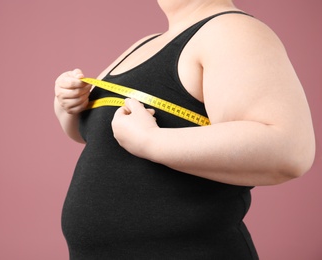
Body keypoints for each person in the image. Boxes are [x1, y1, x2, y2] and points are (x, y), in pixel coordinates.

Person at [54, 0, 316, 259]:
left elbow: (289, 151)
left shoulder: (231, 30)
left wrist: (152, 141)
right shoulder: (144, 44)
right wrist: (68, 106)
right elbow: (91, 136)